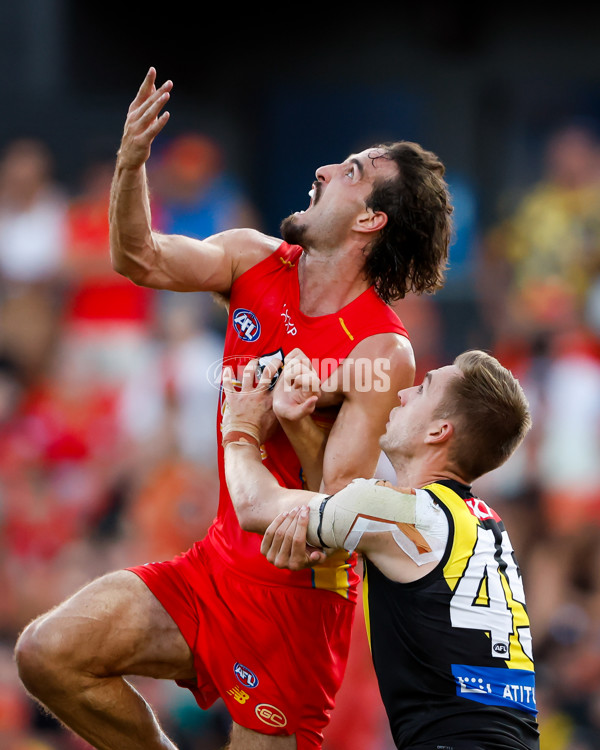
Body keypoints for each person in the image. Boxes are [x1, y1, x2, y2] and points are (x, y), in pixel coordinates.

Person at [14, 67, 453, 750]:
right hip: (216, 566)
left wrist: (288, 420)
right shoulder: (253, 260)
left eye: (353, 170)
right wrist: (131, 166)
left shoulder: (380, 347)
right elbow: (140, 258)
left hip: (295, 607)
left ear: (370, 219)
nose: (325, 167)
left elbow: (335, 502)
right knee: (47, 653)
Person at [219, 349, 539, 749]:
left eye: (423, 388)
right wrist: (296, 421)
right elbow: (343, 505)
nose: (403, 393)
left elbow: (254, 506)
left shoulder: (406, 514)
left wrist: (239, 428)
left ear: (439, 431)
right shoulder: (483, 521)